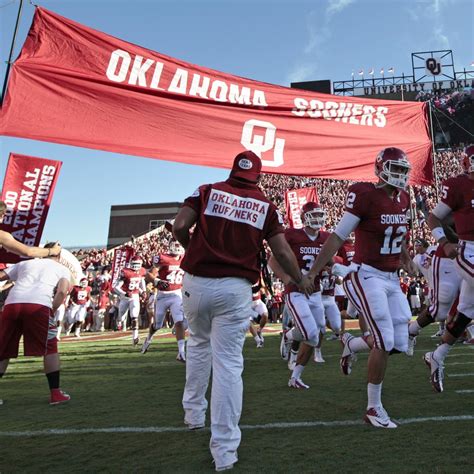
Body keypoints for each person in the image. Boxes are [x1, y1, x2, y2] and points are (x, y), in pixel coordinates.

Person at [172, 150, 312, 471]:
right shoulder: (265, 205)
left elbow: (180, 225)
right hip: (235, 287)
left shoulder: (207, 190)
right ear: (258, 176)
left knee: (197, 343)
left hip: (197, 281)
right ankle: (224, 450)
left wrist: (190, 247)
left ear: (232, 169)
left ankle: (193, 413)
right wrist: (299, 278)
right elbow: (281, 250)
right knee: (228, 365)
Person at [307, 147, 414, 429]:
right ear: (380, 168)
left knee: (400, 343)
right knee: (384, 341)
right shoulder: (365, 194)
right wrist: (314, 272)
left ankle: (351, 344)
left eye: (404, 170)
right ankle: (373, 408)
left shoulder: (403, 198)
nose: (401, 175)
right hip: (366, 276)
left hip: (391, 277)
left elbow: (399, 234)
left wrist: (406, 259)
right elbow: (338, 236)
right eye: (396, 168)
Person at [423, 144, 474, 393]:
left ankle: (437, 356)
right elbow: (433, 217)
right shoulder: (456, 185)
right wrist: (444, 242)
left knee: (465, 311)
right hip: (468, 250)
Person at [0, 242, 71, 406]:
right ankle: (55, 394)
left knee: (3, 350)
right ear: (58, 256)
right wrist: (52, 309)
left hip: (12, 304)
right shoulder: (61, 269)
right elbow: (61, 292)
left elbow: (1, 276)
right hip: (38, 305)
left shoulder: (25, 263)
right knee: (50, 348)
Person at [269, 201, 328, 386]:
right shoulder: (292, 234)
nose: (317, 219)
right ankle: (288, 338)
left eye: (320, 215)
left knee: (316, 335)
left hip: (316, 292)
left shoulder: (326, 237)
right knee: (310, 333)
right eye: (314, 215)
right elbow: (273, 260)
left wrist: (338, 267)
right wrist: (287, 279)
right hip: (296, 291)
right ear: (304, 217)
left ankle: (295, 377)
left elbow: (330, 261)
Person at [141, 240, 187, 361]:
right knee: (157, 325)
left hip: (177, 294)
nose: (177, 247)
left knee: (179, 321)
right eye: (175, 245)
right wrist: (157, 281)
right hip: (162, 296)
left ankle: (181, 352)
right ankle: (149, 337)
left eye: (179, 244)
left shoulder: (185, 257)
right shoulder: (163, 258)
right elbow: (148, 275)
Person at [114, 255, 146, 344]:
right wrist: (124, 293)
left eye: (137, 264)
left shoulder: (142, 271)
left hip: (135, 296)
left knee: (134, 316)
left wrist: (143, 291)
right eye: (134, 264)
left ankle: (135, 337)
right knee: (121, 316)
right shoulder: (126, 272)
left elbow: (141, 281)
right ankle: (119, 321)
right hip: (125, 297)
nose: (135, 266)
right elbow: (116, 287)